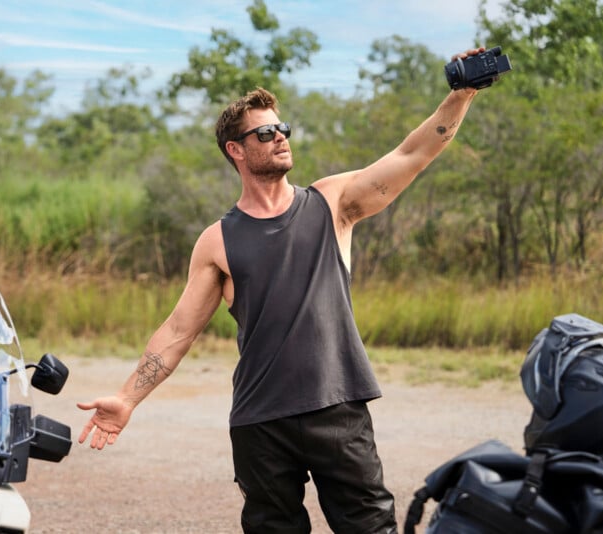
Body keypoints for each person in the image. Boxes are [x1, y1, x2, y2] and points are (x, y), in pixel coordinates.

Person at [77, 47, 486, 533]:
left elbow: (411, 155)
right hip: (260, 421)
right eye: (265, 133)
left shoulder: (333, 203)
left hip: (337, 406)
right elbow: (178, 332)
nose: (280, 138)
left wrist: (461, 95)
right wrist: (127, 398)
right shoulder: (217, 240)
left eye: (283, 128)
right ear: (236, 150)